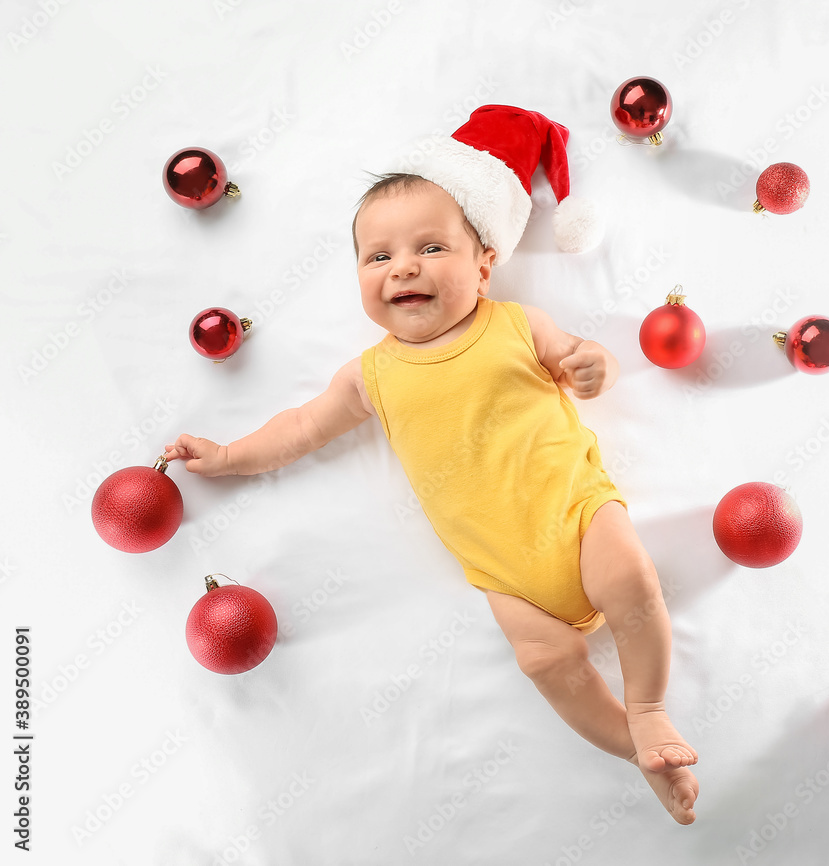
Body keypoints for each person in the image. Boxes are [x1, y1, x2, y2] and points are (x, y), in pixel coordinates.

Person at [166, 106, 700, 824]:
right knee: (545, 663)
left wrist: (589, 365)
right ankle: (638, 750)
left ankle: (651, 706)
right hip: (505, 576)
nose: (404, 267)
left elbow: (580, 355)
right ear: (358, 276)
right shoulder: (371, 376)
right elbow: (299, 429)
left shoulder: (514, 325)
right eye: (378, 257)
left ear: (484, 265)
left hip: (579, 515)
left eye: (430, 249)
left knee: (632, 581)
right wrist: (229, 455)